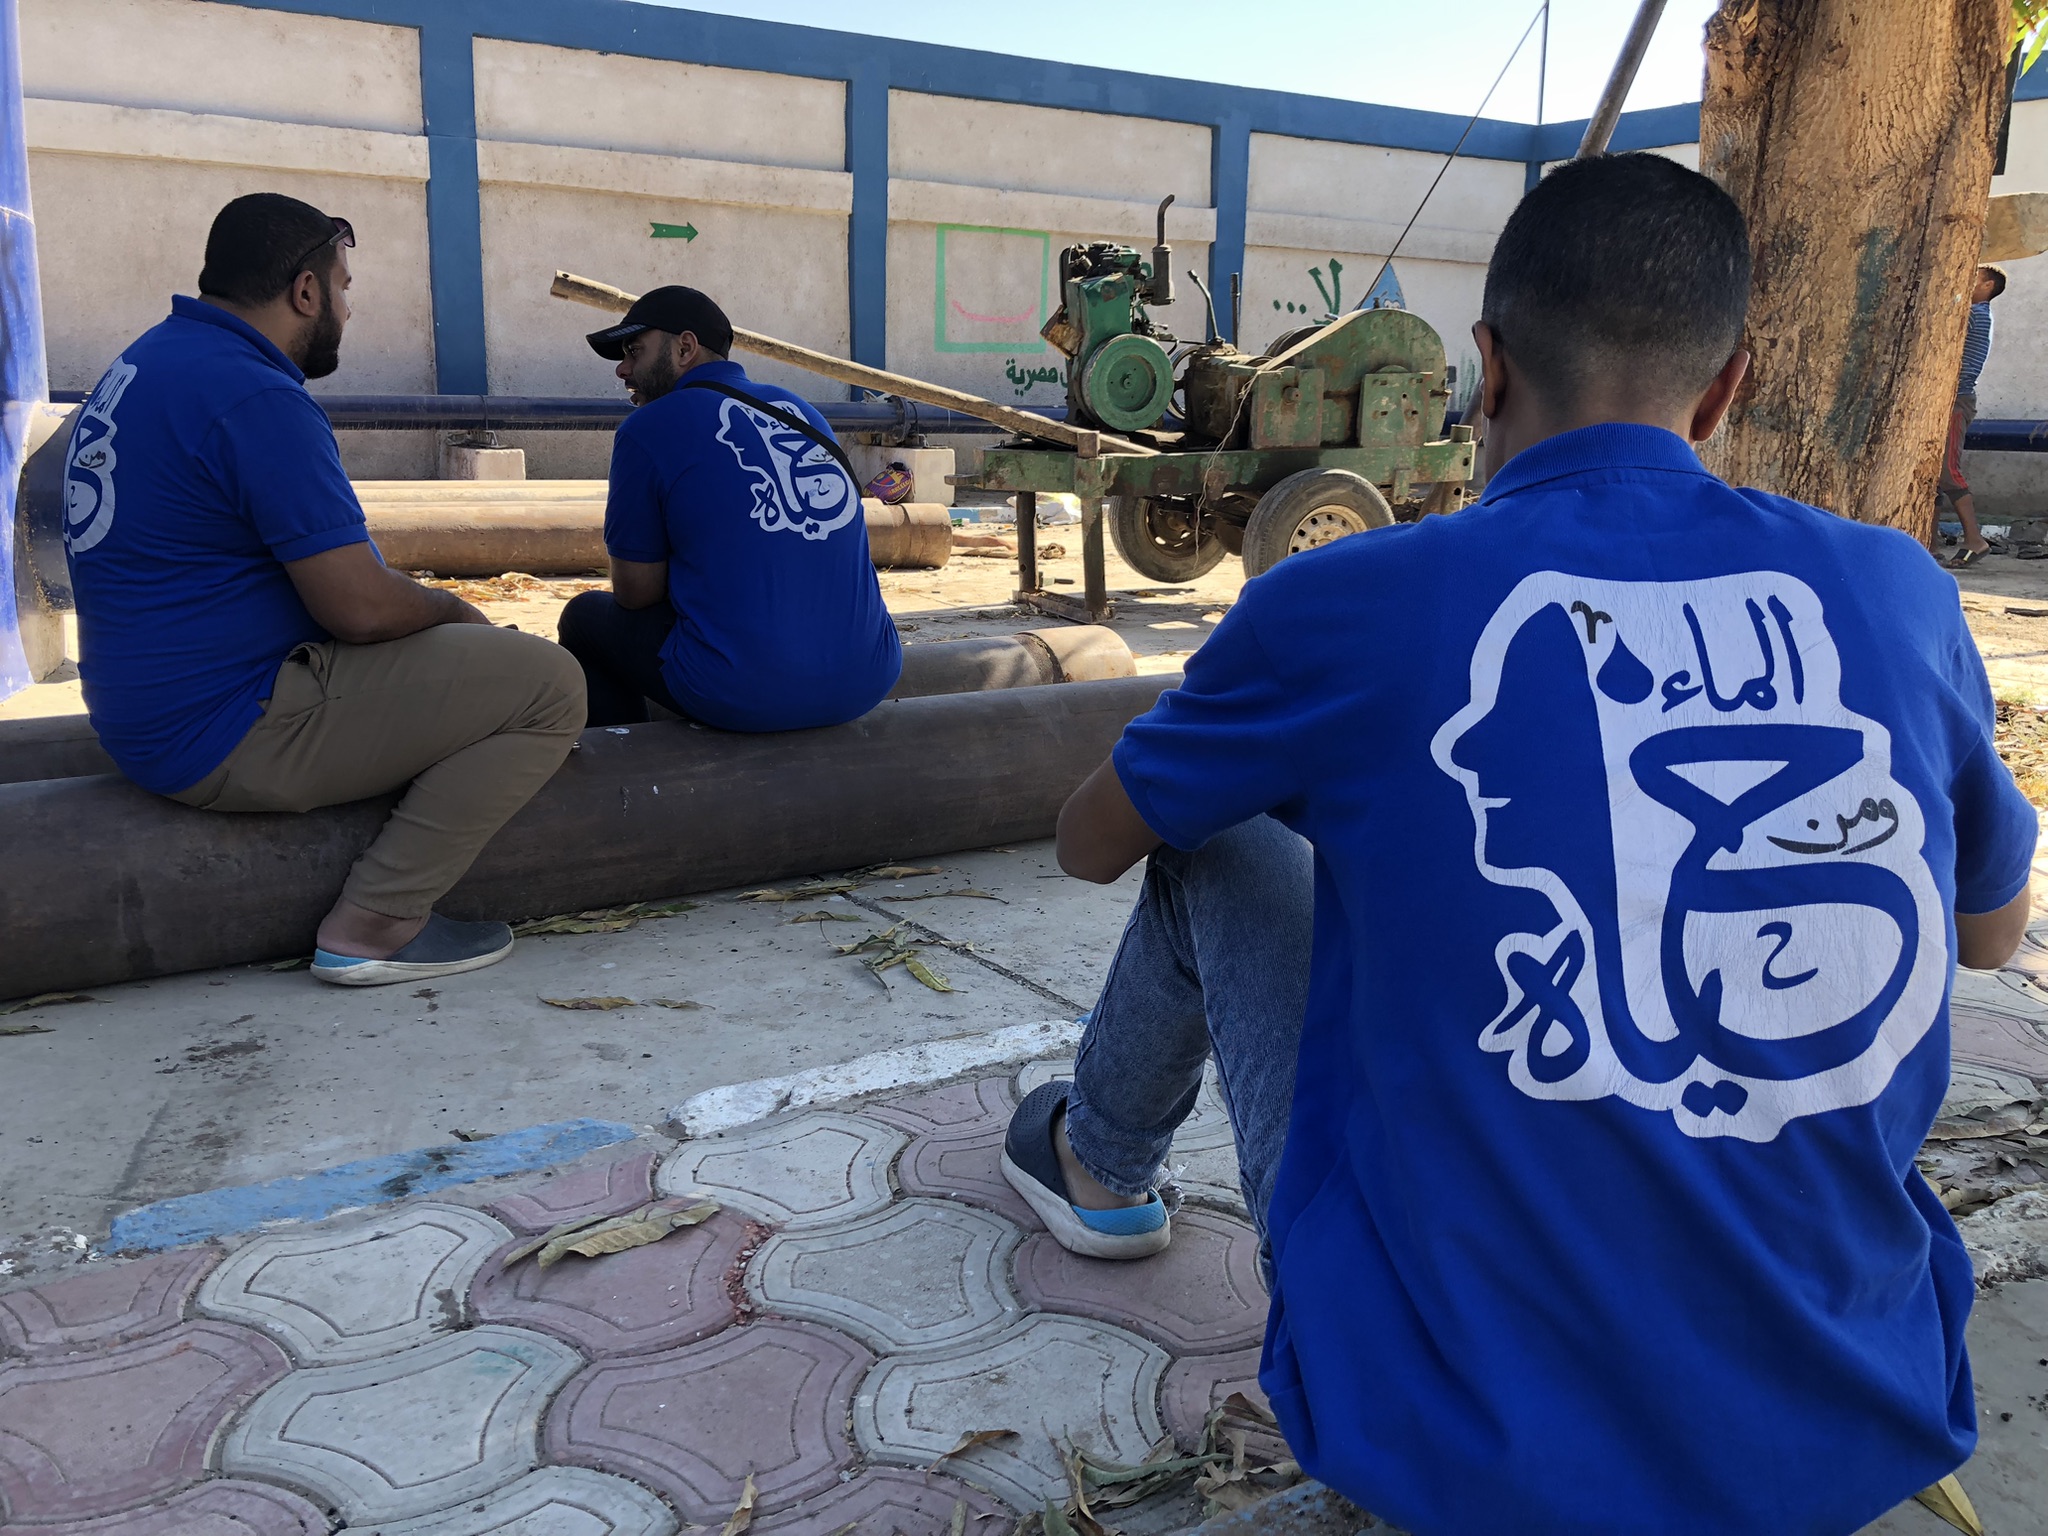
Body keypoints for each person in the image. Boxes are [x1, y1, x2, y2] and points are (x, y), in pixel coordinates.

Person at [1008, 154, 2037, 1536]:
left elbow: (1088, 846)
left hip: (1459, 1446)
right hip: (1853, 1418)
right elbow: (1989, 933)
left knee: (1217, 840)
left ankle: (1099, 1168)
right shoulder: (1896, 587)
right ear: (1724, 389)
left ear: (1484, 370)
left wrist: (1237, 740)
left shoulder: (1346, 601)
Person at [62, 193, 586, 986]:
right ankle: (377, 922)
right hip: (224, 729)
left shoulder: (148, 362)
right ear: (305, 291)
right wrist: (454, 609)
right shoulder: (255, 394)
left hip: (142, 712)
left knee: (466, 659)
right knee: (547, 684)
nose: (347, 308)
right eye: (343, 288)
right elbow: (360, 608)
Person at [557, 286, 902, 729]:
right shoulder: (804, 413)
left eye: (634, 351)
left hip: (743, 693)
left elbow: (635, 593)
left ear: (685, 348)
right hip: (869, 678)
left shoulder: (647, 427)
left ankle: (629, 757)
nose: (623, 369)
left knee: (583, 618)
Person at [1943, 263, 2006, 566]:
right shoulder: (1975, 315)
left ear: (1988, 286)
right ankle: (1927, 544)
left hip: (1957, 401)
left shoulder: (1975, 315)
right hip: (1948, 401)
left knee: (1947, 471)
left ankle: (1975, 540)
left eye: (1974, 278)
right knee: (1931, 473)